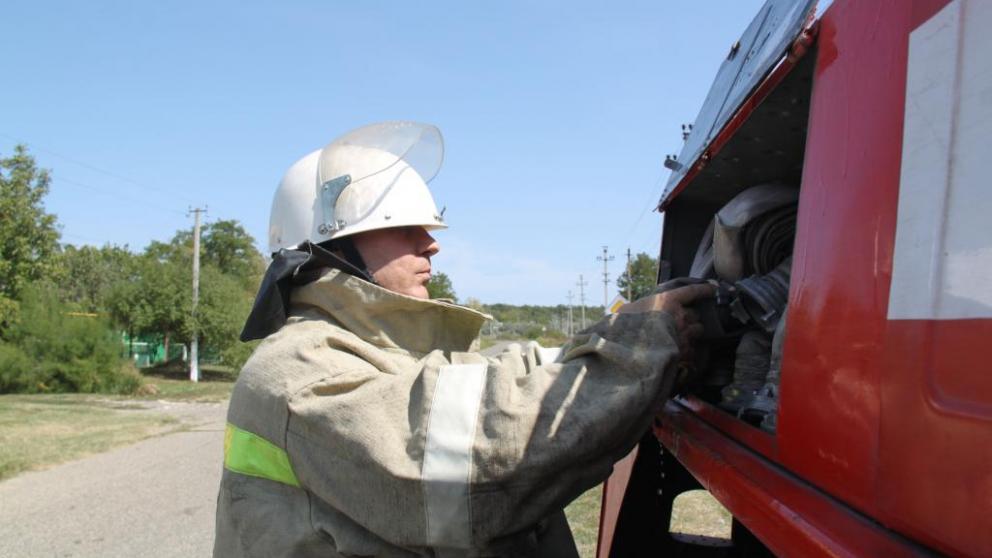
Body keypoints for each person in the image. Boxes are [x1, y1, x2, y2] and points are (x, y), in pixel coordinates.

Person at [214, 121, 713, 557]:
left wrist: (618, 330)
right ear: (332, 245)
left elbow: (503, 376)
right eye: (405, 227)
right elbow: (484, 462)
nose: (431, 243)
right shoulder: (301, 372)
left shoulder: (377, 349)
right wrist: (641, 347)